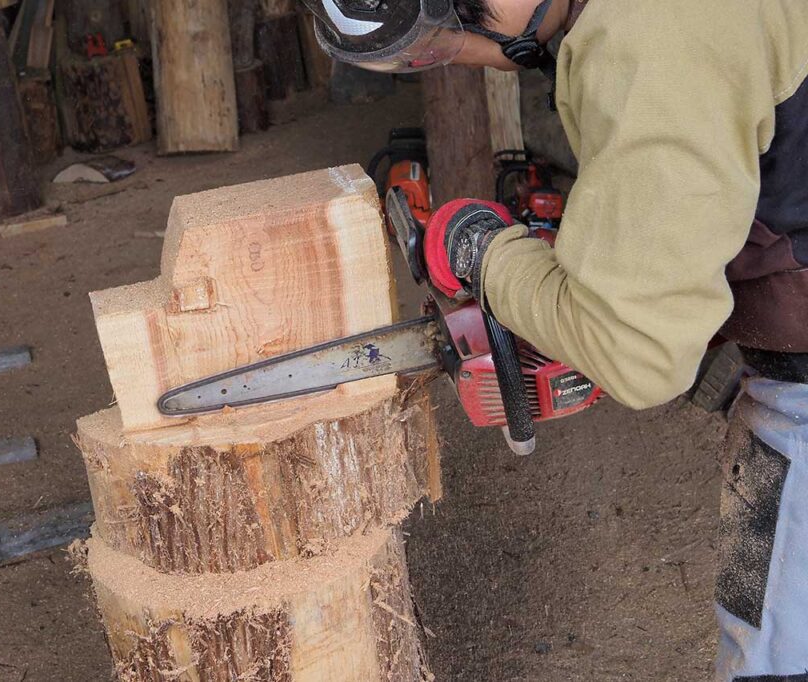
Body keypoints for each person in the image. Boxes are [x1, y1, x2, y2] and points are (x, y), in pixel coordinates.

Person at [300, 0, 808, 678]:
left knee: (770, 648)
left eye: (454, 33)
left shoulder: (654, 32)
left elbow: (641, 355)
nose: (470, 52)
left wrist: (486, 254)